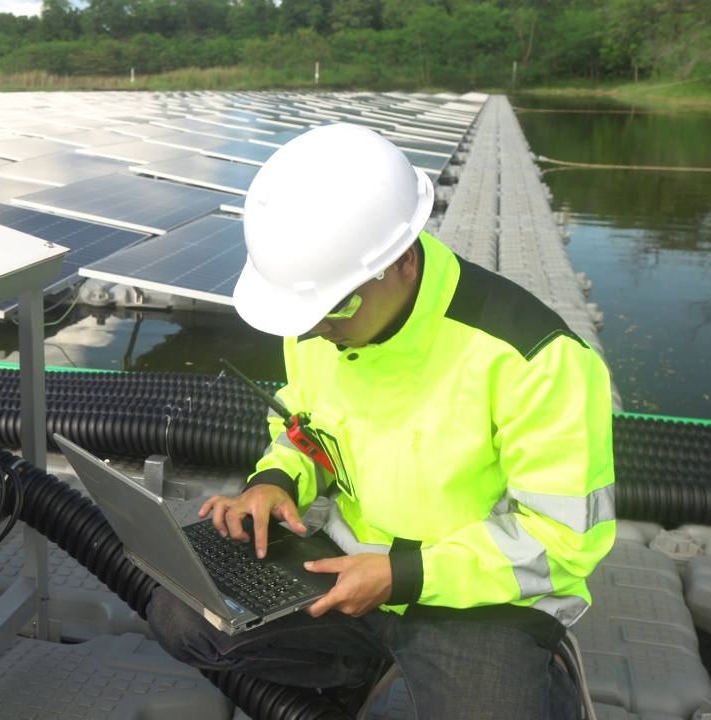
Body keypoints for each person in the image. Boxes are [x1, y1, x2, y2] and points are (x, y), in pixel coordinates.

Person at [146, 123, 615, 719]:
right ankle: (370, 668)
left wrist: (404, 575)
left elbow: (563, 542)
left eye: (333, 308)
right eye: (307, 315)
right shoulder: (320, 326)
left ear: (403, 260)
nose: (317, 330)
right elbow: (304, 429)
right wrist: (276, 482)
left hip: (477, 604)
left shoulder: (534, 358)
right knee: (179, 617)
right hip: (345, 572)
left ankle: (535, 675)